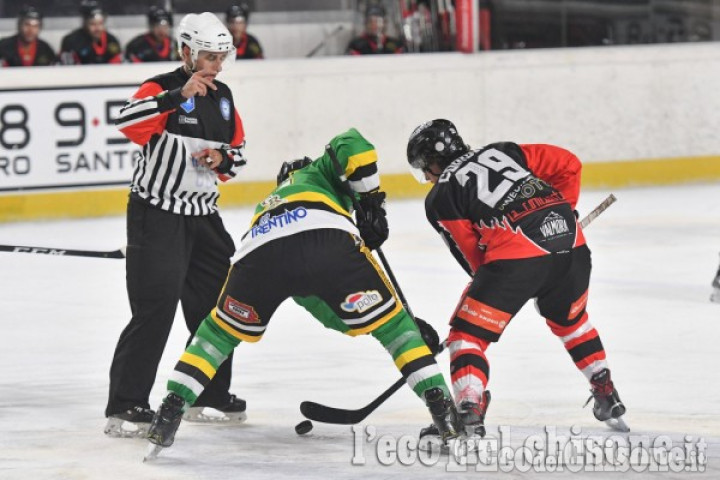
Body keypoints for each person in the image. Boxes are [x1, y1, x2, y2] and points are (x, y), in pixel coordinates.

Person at [145, 128, 462, 453]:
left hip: (258, 253)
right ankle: (443, 410)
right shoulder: (318, 171)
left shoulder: (268, 203)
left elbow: (317, 302)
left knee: (216, 334)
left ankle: (170, 409)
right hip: (328, 238)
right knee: (396, 329)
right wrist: (370, 204)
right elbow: (354, 143)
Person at [405, 119, 628, 439]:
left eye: (424, 168)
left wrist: (491, 285)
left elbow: (473, 258)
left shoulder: (441, 195)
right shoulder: (503, 152)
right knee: (572, 322)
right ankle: (606, 392)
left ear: (434, 160)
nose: (426, 176)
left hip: (514, 261)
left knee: (466, 337)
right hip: (572, 245)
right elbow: (569, 164)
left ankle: (469, 413)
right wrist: (560, 214)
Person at [105, 12, 248, 438]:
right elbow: (127, 123)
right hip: (158, 215)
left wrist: (223, 159)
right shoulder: (159, 87)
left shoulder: (223, 97)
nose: (215, 66)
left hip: (204, 217)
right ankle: (126, 405)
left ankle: (207, 394)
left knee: (219, 310)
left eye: (221, 58)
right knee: (155, 309)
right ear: (185, 51)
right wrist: (174, 96)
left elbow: (239, 152)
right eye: (208, 56)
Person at [59, 0, 122, 65]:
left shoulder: (112, 41)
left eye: (100, 23)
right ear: (85, 24)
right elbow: (68, 70)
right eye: (93, 24)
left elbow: (117, 68)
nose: (97, 28)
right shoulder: (71, 41)